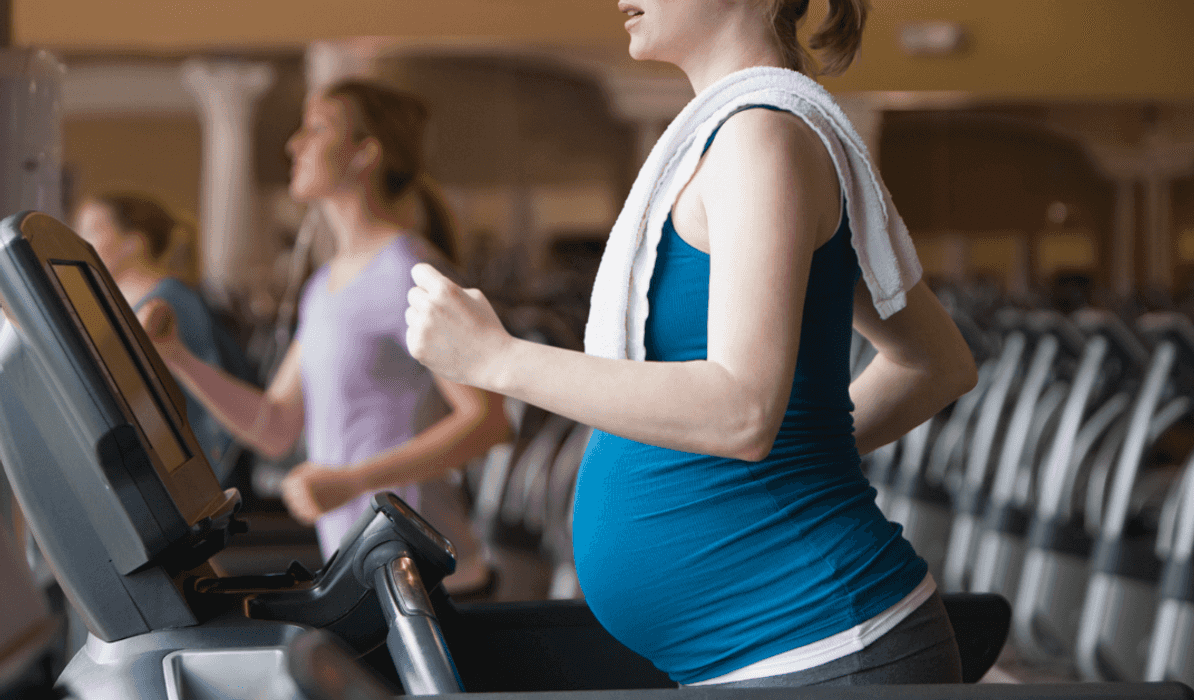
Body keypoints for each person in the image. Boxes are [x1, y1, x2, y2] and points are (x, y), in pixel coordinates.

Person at [403, 0, 979, 688]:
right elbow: (934, 363)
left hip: (819, 649)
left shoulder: (760, 140)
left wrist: (494, 359)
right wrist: (787, 457)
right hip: (767, 654)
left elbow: (740, 409)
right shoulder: (739, 139)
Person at [139, 80, 511, 597]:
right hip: (366, 571)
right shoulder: (325, 283)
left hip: (432, 577)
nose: (294, 144)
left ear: (365, 153)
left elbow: (487, 422)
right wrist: (174, 356)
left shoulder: (408, 271)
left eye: (316, 129)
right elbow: (275, 425)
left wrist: (351, 481)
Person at [74, 193, 251, 482]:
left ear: (133, 243)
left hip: (191, 472)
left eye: (92, 230)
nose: (79, 240)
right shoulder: (134, 302)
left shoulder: (167, 301)